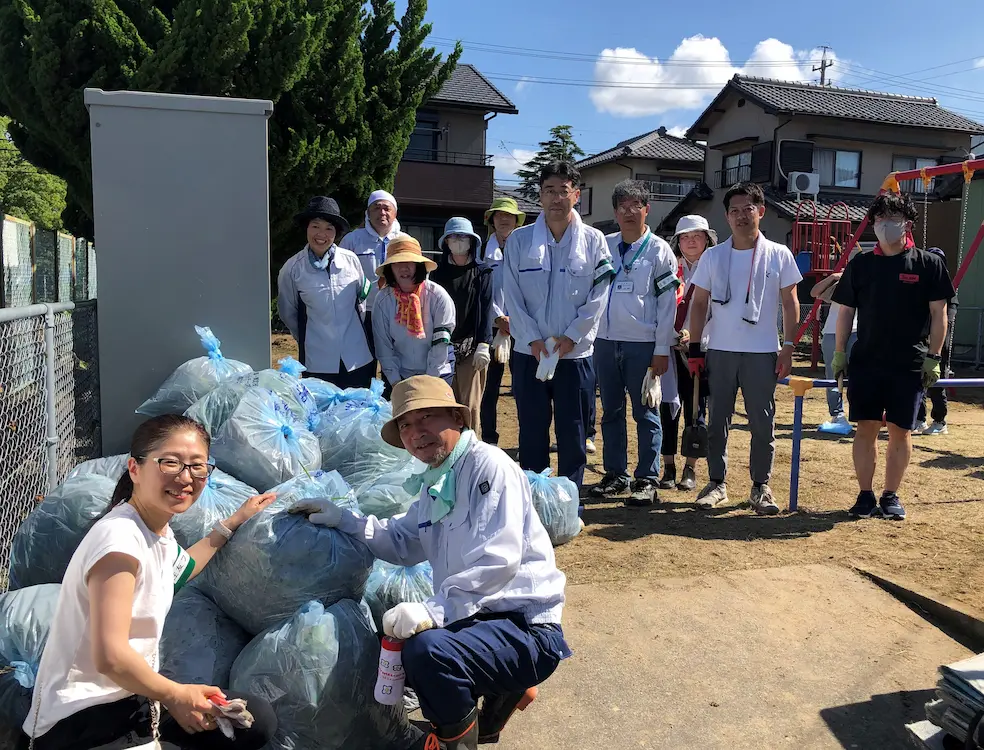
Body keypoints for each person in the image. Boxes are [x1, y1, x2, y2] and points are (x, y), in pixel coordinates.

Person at [288, 376, 571, 750]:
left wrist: (433, 612)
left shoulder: (488, 467)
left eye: (427, 418)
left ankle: (457, 742)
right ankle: (497, 701)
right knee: (384, 651)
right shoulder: (437, 481)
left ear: (457, 418)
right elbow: (403, 541)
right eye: (405, 425)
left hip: (526, 626)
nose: (416, 433)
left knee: (426, 652)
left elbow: (497, 562)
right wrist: (345, 520)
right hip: (483, 621)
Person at [21, 415, 278, 750]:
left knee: (253, 720)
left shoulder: (157, 533)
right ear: (135, 469)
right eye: (170, 463)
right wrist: (176, 694)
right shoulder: (119, 542)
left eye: (197, 466)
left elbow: (181, 571)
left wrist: (234, 521)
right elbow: (110, 657)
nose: (186, 477)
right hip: (82, 719)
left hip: (134, 699)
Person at [832, 194, 954, 520]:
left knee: (901, 429)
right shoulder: (861, 265)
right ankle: (864, 495)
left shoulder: (929, 264)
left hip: (910, 361)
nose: (885, 224)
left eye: (893, 218)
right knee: (865, 428)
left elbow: (939, 314)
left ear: (908, 225)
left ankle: (890, 495)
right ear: (873, 223)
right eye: (879, 218)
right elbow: (845, 312)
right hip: (867, 360)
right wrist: (840, 353)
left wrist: (934, 356)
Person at [687, 182, 802, 515]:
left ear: (761, 211)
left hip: (762, 350)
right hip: (720, 350)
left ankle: (760, 486)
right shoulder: (713, 255)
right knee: (718, 418)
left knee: (762, 423)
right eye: (733, 211)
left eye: (747, 209)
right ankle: (716, 483)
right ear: (726, 217)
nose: (740, 217)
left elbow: (790, 302)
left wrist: (789, 346)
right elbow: (698, 305)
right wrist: (695, 348)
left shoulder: (779, 254)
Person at [503, 161, 615, 487]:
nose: (556, 198)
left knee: (573, 431)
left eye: (563, 191)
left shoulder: (595, 242)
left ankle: (569, 502)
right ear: (539, 195)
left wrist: (571, 338)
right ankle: (535, 501)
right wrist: (533, 340)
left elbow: (599, 297)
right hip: (530, 354)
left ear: (576, 195)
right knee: (532, 431)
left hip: (574, 356)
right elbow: (512, 296)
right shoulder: (520, 241)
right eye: (549, 190)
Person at [590, 180, 678, 506]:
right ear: (615, 212)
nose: (628, 212)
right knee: (611, 412)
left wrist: (661, 349)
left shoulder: (659, 250)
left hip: (643, 344)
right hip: (604, 341)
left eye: (635, 206)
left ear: (646, 209)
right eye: (622, 207)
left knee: (646, 412)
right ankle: (616, 474)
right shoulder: (604, 245)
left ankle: (647, 478)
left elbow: (669, 304)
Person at [277, 196, 374, 388]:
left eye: (329, 228)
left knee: (356, 411)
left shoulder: (351, 260)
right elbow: (288, 312)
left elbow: (361, 301)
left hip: (356, 356)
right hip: (317, 358)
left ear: (336, 233)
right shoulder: (292, 268)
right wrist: (306, 338)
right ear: (306, 228)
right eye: (315, 226)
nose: (321, 234)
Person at [658, 214, 716, 492]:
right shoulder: (668, 268)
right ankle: (667, 466)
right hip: (669, 348)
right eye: (685, 237)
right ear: (677, 242)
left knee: (696, 408)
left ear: (707, 239)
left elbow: (719, 312)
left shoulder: (716, 267)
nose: (691, 241)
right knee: (666, 407)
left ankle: (690, 468)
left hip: (700, 348)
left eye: (697, 236)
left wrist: (697, 338)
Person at [431, 216, 494, 436]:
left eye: (463, 237)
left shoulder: (483, 272)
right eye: (453, 237)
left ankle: (472, 450)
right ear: (446, 242)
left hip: (472, 346)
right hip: (443, 346)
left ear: (472, 241)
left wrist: (484, 344)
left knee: (471, 405)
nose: (459, 241)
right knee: (445, 402)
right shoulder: (436, 274)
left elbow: (486, 309)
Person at [373, 234, 456, 396]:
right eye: (397, 263)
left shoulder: (438, 296)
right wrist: (396, 382)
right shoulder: (382, 300)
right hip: (398, 374)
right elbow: (383, 346)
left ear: (419, 265)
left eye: (409, 262)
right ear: (390, 268)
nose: (404, 268)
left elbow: (440, 346)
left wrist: (427, 383)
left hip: (437, 371)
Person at [479, 196, 526, 446]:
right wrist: (498, 317)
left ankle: (526, 439)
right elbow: (480, 290)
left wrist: (514, 320)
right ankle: (489, 438)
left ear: (517, 221)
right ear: (492, 220)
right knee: (489, 389)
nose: (504, 219)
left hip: (522, 329)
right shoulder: (480, 251)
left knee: (524, 388)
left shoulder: (527, 248)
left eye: (509, 215)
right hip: (491, 326)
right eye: (499, 215)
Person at [339, 189, 403, 367]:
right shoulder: (352, 240)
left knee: (395, 365)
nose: (382, 212)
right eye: (376, 208)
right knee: (363, 365)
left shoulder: (405, 241)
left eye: (386, 208)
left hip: (397, 313)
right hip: (362, 313)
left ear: (395, 213)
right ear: (367, 212)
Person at [914, 247, 957, 436]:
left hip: (938, 341)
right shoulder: (923, 283)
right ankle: (919, 418)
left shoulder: (945, 286)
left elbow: (947, 316)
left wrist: (936, 343)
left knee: (936, 379)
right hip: (921, 337)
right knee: (917, 379)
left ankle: (939, 420)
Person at [811, 267, 858, 435]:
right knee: (833, 375)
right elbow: (814, 292)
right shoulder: (838, 285)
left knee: (858, 375)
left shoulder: (867, 281)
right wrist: (833, 276)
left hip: (857, 332)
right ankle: (837, 413)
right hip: (832, 332)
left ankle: (859, 412)